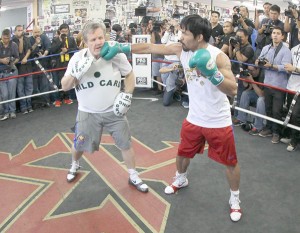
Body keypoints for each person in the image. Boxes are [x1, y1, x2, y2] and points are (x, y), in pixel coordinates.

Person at [100, 14, 241, 222]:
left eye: (185, 33)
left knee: (230, 162)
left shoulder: (218, 56)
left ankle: (235, 198)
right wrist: (122, 47)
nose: (180, 37)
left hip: (218, 121)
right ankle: (181, 179)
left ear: (199, 36)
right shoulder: (179, 49)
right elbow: (150, 48)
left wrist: (213, 74)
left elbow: (233, 89)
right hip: (194, 118)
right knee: (182, 154)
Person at [61, 22, 148, 193]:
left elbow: (129, 74)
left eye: (100, 37)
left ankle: (133, 175)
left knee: (125, 144)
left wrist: (128, 94)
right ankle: (74, 164)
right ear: (86, 42)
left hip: (114, 110)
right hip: (87, 112)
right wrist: (75, 72)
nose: (98, 42)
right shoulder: (77, 58)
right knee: (79, 145)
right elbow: (65, 86)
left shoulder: (115, 54)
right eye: (93, 39)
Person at [256, 26, 292, 143]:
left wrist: (271, 66)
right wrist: (258, 62)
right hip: (267, 83)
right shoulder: (266, 48)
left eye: (278, 33)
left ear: (282, 36)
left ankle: (277, 132)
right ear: (271, 35)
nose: (275, 35)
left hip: (279, 85)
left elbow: (286, 68)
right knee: (268, 108)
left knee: (277, 111)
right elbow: (260, 60)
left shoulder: (286, 51)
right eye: (274, 33)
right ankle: (269, 128)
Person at [12, 25, 34, 114]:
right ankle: (23, 107)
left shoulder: (26, 38)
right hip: (19, 68)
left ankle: (29, 105)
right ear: (15, 31)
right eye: (19, 30)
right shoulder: (13, 41)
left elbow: (29, 49)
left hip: (28, 67)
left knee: (29, 88)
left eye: (21, 30)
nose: (20, 31)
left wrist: (26, 57)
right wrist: (20, 40)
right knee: (20, 89)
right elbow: (20, 51)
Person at [0, 29, 19, 121]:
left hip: (11, 71)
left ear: (10, 37)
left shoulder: (14, 45)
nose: (5, 40)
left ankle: (12, 111)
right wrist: (2, 60)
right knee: (4, 95)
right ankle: (6, 112)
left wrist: (11, 62)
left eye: (7, 38)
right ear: (1, 37)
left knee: (11, 93)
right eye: (4, 38)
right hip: (1, 73)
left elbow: (17, 58)